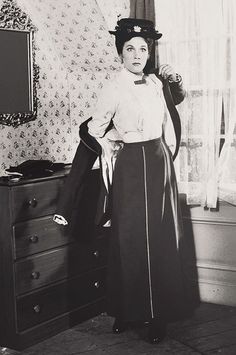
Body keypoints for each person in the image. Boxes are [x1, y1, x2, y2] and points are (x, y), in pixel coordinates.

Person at [54, 17, 187, 344]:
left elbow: (173, 104)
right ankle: (125, 311)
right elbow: (94, 130)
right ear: (121, 53)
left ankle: (157, 316)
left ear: (149, 52)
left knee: (158, 241)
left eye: (143, 48)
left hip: (158, 165)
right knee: (127, 242)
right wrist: (111, 143)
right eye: (130, 49)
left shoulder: (156, 84)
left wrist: (174, 82)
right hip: (129, 167)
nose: (138, 54)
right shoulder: (112, 88)